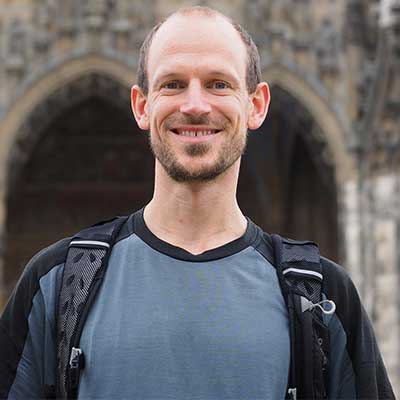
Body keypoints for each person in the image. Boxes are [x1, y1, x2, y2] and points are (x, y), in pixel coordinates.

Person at [0, 6, 395, 400]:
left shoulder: (323, 298)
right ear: (141, 105)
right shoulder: (56, 284)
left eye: (218, 84)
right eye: (172, 84)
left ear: (257, 104)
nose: (194, 105)